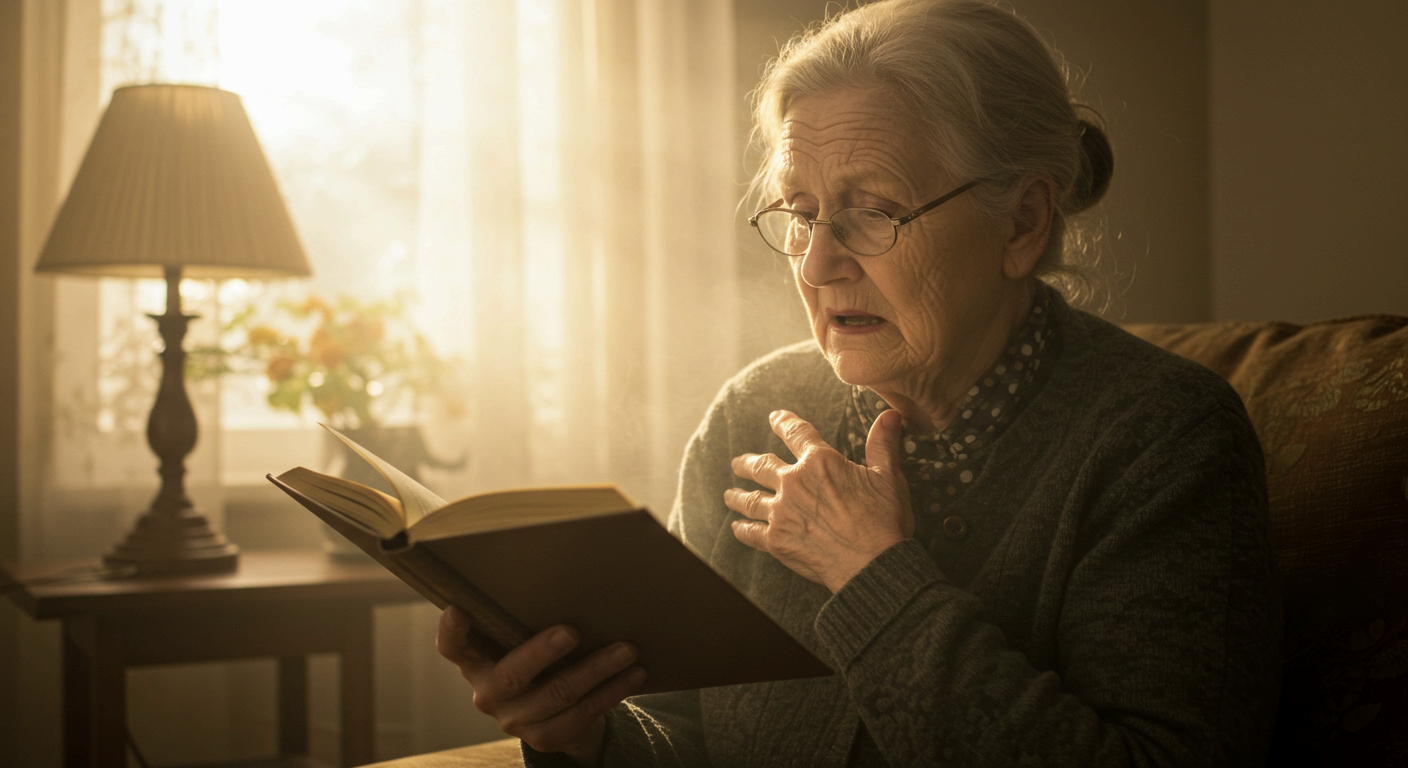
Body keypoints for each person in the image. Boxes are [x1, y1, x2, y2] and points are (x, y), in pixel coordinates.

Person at [437, 0, 1282, 765]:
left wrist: (874, 574)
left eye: (874, 210)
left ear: (1021, 223)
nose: (820, 263)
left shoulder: (1163, 438)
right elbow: (683, 743)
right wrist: (582, 737)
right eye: (801, 215)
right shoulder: (751, 420)